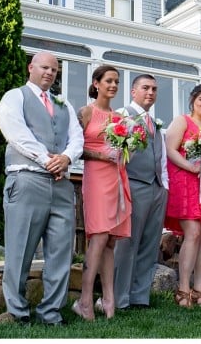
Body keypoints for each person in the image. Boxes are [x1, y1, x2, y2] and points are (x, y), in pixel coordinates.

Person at [0, 52, 83, 326]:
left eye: (55, 69)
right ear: (30, 67)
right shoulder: (15, 96)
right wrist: (49, 161)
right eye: (44, 67)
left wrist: (67, 158)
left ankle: (51, 312)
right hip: (27, 179)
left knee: (61, 251)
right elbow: (16, 133)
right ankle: (18, 311)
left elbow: (77, 137)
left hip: (61, 186)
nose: (49, 73)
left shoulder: (63, 103)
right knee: (20, 248)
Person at [72, 65, 132, 320]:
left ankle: (108, 301)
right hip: (96, 177)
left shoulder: (120, 118)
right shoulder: (85, 112)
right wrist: (101, 154)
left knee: (110, 240)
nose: (113, 85)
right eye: (108, 80)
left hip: (117, 176)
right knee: (98, 237)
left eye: (116, 81)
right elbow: (75, 148)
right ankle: (84, 300)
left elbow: (126, 150)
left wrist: (124, 152)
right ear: (96, 83)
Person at [165, 83, 201, 308]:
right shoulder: (182, 121)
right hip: (186, 181)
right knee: (192, 232)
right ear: (193, 100)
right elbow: (171, 149)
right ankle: (182, 288)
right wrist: (190, 167)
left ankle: (199, 289)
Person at [113, 73, 168, 311]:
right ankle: (119, 298)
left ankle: (140, 296)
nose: (151, 93)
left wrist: (164, 185)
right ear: (133, 91)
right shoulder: (123, 116)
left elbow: (162, 157)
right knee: (128, 242)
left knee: (149, 243)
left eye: (154, 89)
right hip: (133, 183)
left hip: (156, 187)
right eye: (146, 88)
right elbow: (115, 151)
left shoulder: (154, 122)